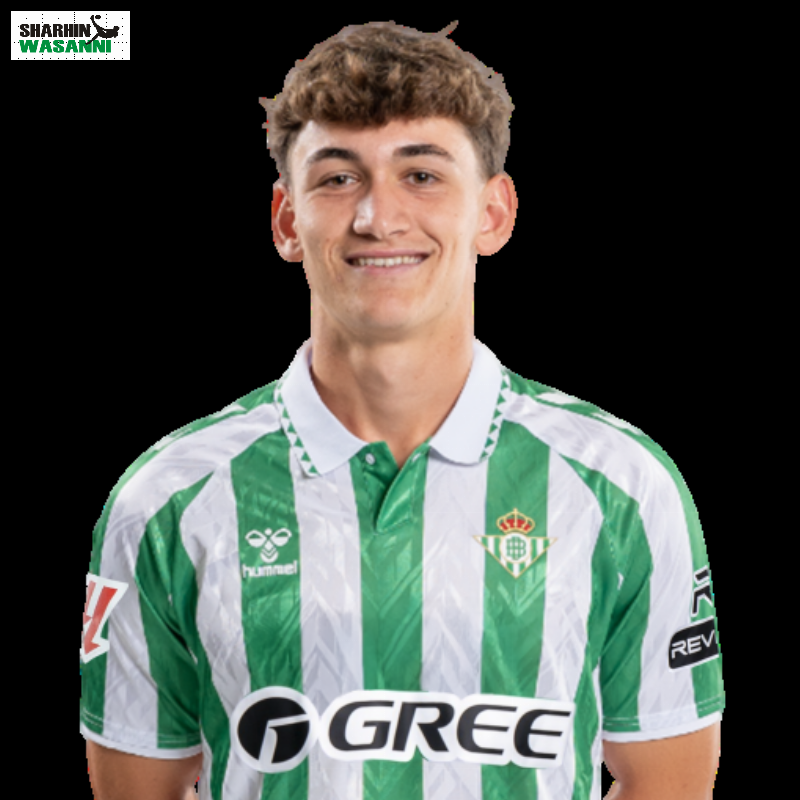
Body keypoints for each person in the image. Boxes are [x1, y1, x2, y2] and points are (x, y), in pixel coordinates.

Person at [81, 21, 723, 800]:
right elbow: (137, 791)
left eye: (421, 175)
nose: (377, 217)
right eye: (337, 178)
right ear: (286, 220)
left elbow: (668, 783)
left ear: (493, 213)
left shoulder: (623, 483)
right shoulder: (166, 497)